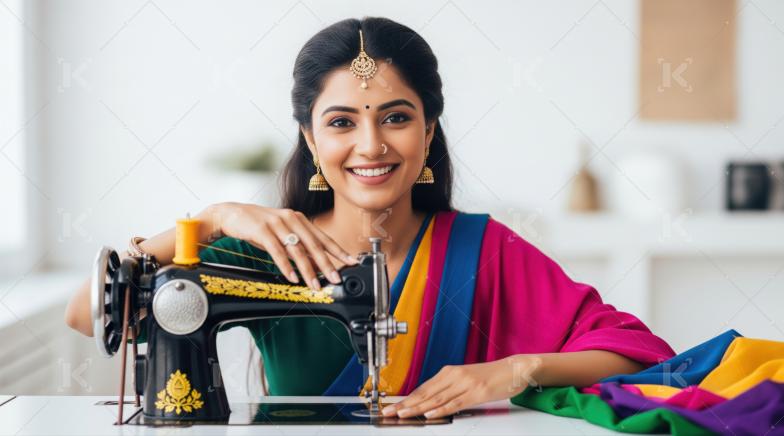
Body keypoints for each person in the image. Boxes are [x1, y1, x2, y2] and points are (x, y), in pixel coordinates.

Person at [65, 16, 675, 420]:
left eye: (395, 117)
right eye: (340, 123)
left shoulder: (483, 251)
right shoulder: (273, 251)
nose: (370, 145)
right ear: (309, 136)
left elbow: (637, 353)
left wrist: (513, 370)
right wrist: (215, 217)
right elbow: (86, 313)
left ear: (428, 129)